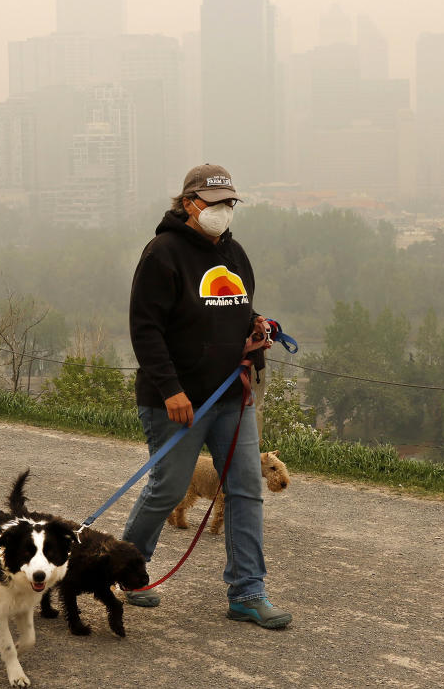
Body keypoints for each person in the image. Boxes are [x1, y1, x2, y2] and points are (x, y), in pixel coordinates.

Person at [120, 163, 292, 630]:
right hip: (176, 401)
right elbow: (146, 329)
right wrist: (171, 390)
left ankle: (248, 592)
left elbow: (236, 306)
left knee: (245, 489)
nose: (224, 211)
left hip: (232, 397)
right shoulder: (162, 253)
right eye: (216, 203)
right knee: (169, 489)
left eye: (230, 203)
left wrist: (257, 327)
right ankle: (127, 570)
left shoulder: (233, 252)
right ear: (190, 203)